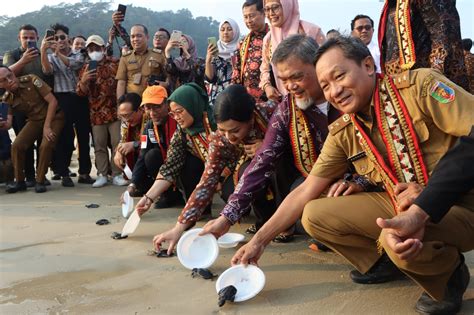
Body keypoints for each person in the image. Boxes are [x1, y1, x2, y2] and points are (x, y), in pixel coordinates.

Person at [231, 36, 473, 314]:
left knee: (393, 239)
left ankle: (446, 279)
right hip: (407, 205)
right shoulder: (345, 130)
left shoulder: (419, 86)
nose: (335, 91)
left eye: (340, 76)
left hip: (464, 206)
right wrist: (258, 242)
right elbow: (305, 189)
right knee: (314, 215)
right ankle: (391, 263)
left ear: (368, 65)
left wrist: (426, 199)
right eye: (325, 86)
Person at [201, 35, 340, 242]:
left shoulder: (343, 97)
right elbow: (262, 161)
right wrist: (226, 218)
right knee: (308, 210)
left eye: (297, 77)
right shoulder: (286, 110)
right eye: (284, 81)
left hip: (358, 183)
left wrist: (358, 181)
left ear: (318, 65)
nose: (291, 86)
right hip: (315, 182)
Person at [153, 84, 277, 254]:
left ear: (250, 119)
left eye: (235, 130)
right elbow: (207, 181)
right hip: (246, 173)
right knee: (241, 177)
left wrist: (268, 147)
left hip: (286, 171)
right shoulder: (219, 139)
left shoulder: (273, 112)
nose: (229, 137)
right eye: (222, 130)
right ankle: (269, 222)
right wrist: (178, 228)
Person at [377, 129, 474, 260]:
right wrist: (418, 212)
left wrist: (426, 192)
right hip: (434, 198)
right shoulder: (348, 127)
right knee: (396, 235)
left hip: (462, 201)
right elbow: (467, 153)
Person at [134, 83, 216, 217]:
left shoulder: (218, 123)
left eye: (180, 111)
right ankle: (181, 200)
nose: (176, 117)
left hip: (229, 173)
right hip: (208, 176)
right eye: (148, 108)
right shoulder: (180, 131)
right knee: (155, 157)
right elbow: (169, 166)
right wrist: (148, 197)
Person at [40, 23, 93, 187]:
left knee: (84, 136)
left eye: (62, 37)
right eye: (55, 38)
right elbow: (47, 71)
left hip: (80, 97)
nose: (59, 41)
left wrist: (56, 52)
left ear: (68, 39)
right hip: (62, 98)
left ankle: (84, 172)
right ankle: (63, 173)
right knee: (65, 137)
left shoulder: (79, 54)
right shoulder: (50, 57)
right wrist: (43, 50)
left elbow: (74, 64)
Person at [379, 0, 470, 92]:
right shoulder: (390, 4)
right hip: (399, 84)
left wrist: (434, 78)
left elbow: (444, 36)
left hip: (426, 84)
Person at [3, 24, 53, 188]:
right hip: (18, 105)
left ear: (37, 38)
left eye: (32, 37)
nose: (29, 40)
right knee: (23, 142)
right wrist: (23, 60)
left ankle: (41, 176)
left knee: (41, 142)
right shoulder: (12, 54)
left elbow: (48, 73)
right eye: (25, 37)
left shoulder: (42, 54)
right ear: (19, 38)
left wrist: (44, 52)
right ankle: (28, 176)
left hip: (40, 105)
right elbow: (5, 73)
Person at [0, 66, 64, 193]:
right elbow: (9, 124)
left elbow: (53, 102)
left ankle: (40, 181)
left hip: (54, 117)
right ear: (1, 85)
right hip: (35, 120)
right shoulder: (7, 98)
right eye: (4, 80)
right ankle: (19, 181)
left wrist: (47, 127)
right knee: (17, 145)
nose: (10, 80)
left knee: (45, 145)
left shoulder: (31, 80)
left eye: (10, 76)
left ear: (13, 73)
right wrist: (2, 125)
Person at [121, 85, 181, 208]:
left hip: (182, 166)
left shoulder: (179, 120)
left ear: (167, 104)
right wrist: (132, 185)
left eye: (157, 107)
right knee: (150, 156)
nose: (153, 113)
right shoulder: (149, 127)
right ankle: (167, 195)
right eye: (148, 108)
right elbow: (142, 155)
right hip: (165, 170)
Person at [76, 35, 122, 188]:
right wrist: (84, 81)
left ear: (103, 49)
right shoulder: (85, 68)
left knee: (117, 143)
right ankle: (102, 174)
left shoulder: (115, 63)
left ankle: (117, 174)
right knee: (99, 145)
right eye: (91, 49)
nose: (94, 51)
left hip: (114, 111)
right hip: (96, 113)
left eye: (97, 48)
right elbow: (80, 93)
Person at [259, 0, 325, 102]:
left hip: (316, 98)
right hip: (286, 100)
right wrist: (267, 86)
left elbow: (325, 63)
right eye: (267, 9)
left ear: (287, 6)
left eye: (275, 7)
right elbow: (264, 68)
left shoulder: (310, 31)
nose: (271, 13)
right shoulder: (268, 39)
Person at [114, 23, 168, 98]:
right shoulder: (125, 57)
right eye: (132, 36)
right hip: (132, 102)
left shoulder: (158, 55)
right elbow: (121, 82)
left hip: (153, 100)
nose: (135, 39)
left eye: (139, 36)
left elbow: (169, 76)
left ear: (147, 37)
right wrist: (120, 104)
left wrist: (166, 84)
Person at [231, 0, 269, 103]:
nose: (249, 20)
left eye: (252, 16)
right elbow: (236, 72)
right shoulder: (243, 43)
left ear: (263, 13)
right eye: (245, 17)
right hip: (247, 101)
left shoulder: (274, 37)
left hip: (271, 98)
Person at [205, 18, 240, 106]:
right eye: (222, 29)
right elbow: (210, 78)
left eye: (229, 29)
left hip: (235, 96)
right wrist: (208, 59)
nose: (225, 32)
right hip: (217, 98)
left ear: (235, 31)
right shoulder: (215, 50)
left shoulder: (242, 49)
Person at [114, 93, 146, 186]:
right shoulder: (125, 122)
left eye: (128, 115)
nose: (126, 119)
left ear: (140, 109)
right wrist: (118, 152)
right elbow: (123, 141)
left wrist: (135, 144)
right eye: (122, 116)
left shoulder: (150, 118)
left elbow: (154, 143)